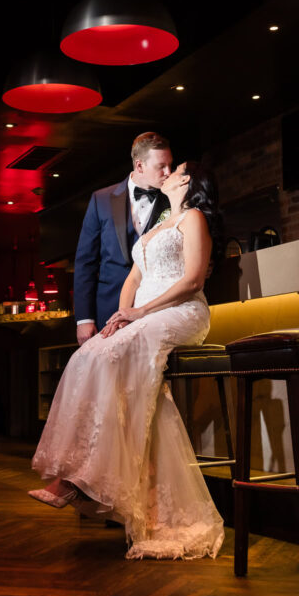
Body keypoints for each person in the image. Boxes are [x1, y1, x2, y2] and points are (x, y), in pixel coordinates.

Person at [30, 161, 225, 561]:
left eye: (177, 169)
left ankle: (87, 479)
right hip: (144, 315)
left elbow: (192, 281)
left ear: (188, 181)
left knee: (115, 354)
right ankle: (77, 473)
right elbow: (132, 280)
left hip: (184, 312)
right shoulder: (157, 224)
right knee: (89, 354)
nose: (169, 171)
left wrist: (140, 313)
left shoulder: (194, 219)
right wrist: (121, 316)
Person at [73, 132, 173, 346]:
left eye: (170, 165)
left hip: (156, 309)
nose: (168, 172)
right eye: (161, 166)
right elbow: (85, 262)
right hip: (108, 309)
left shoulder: (172, 200)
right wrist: (84, 318)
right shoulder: (101, 200)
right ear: (139, 166)